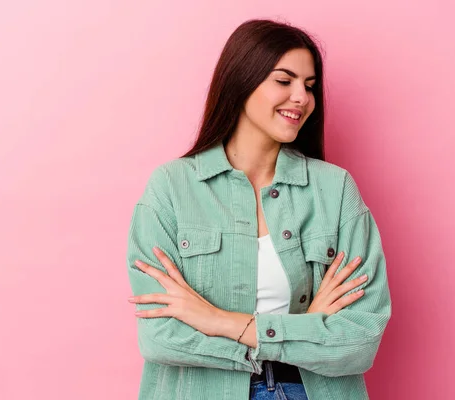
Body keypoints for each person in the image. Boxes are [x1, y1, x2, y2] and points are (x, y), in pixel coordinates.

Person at [125, 18, 392, 400]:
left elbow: (360, 338)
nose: (302, 97)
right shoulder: (171, 188)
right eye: (284, 81)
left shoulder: (334, 190)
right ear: (241, 81)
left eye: (310, 86)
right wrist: (302, 330)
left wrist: (219, 321)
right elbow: (161, 337)